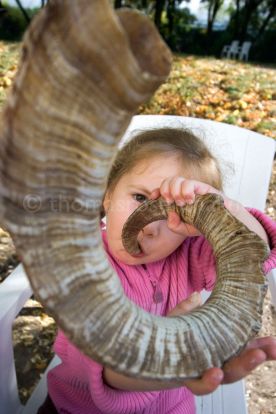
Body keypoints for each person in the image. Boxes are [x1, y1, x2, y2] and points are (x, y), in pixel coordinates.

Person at [38, 127, 276, 414]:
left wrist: (223, 209)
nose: (149, 228)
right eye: (139, 198)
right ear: (108, 196)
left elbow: (251, 254)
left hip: (170, 407)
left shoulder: (189, 253)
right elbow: (102, 362)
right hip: (78, 408)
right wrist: (167, 355)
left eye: (175, 212)